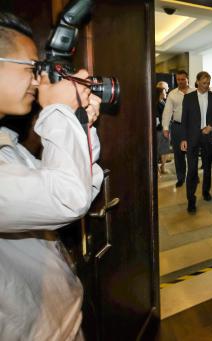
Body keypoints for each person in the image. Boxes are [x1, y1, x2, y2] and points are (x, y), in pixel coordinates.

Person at [0, 12, 103, 340]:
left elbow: (77, 187)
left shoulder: (6, 143)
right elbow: (66, 199)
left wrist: (79, 123)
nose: (36, 81)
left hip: (61, 320)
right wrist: (57, 112)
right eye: (31, 68)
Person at [180, 71, 212, 213]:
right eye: (204, 83)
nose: (206, 86)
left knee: (208, 167)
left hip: (207, 136)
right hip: (192, 137)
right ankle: (191, 200)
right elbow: (184, 120)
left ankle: (206, 191)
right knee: (191, 169)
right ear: (197, 82)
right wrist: (183, 139)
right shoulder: (188, 98)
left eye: (208, 83)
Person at [162, 70, 195, 187]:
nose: (180, 82)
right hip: (177, 127)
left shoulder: (195, 92)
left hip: (192, 127)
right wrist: (165, 127)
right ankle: (180, 178)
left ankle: (193, 177)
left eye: (182, 79)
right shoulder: (172, 94)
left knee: (192, 153)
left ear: (187, 79)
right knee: (178, 154)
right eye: (178, 79)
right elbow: (167, 112)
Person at [156, 80, 169, 174]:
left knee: (164, 149)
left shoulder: (162, 101)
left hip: (164, 129)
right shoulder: (157, 103)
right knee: (160, 150)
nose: (166, 92)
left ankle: (162, 167)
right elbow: (157, 119)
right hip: (160, 130)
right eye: (164, 90)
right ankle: (159, 168)